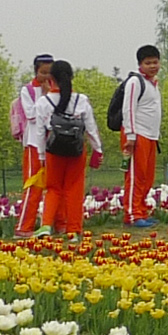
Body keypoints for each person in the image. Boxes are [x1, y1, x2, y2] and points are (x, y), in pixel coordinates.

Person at [35, 59, 103, 238]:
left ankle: (46, 225)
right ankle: (73, 229)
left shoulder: (44, 102)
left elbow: (39, 132)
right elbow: (90, 127)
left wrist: (41, 155)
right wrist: (98, 149)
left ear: (51, 79)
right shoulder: (81, 100)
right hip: (76, 149)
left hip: (53, 150)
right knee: (74, 189)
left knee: (53, 188)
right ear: (71, 77)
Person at [13, 54, 55, 236]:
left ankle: (53, 224)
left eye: (49, 73)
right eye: (42, 72)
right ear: (36, 71)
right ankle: (24, 227)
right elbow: (31, 114)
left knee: (54, 185)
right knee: (33, 184)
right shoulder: (28, 90)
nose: (46, 77)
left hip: (53, 143)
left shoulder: (58, 89)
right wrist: (45, 96)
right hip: (34, 143)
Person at [121, 45, 163, 226]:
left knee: (147, 177)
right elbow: (128, 108)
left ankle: (142, 210)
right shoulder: (135, 82)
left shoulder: (153, 84)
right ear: (140, 64)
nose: (153, 66)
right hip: (137, 135)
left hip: (151, 135)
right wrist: (130, 135)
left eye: (155, 62)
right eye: (148, 63)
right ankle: (132, 214)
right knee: (136, 176)